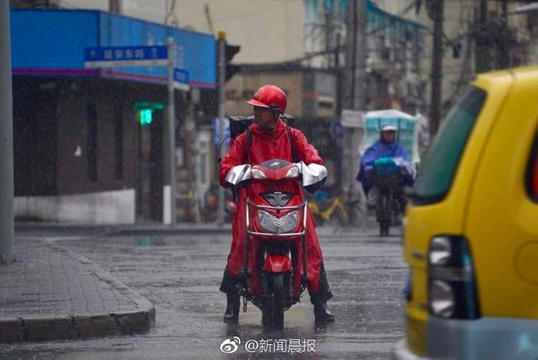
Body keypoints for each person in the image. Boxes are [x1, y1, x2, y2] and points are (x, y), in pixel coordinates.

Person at [219, 84, 335, 324]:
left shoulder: (294, 136)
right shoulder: (245, 139)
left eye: (261, 109)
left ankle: (320, 303)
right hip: (254, 200)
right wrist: (240, 172)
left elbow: (313, 158)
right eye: (255, 109)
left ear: (276, 112)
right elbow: (226, 168)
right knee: (241, 245)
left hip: (291, 201)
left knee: (310, 244)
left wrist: (311, 169)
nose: (256, 113)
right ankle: (231, 302)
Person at [356, 124, 414, 213]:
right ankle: (372, 203)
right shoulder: (376, 147)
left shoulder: (398, 147)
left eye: (391, 133)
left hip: (395, 181)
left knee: (403, 195)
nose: (389, 135)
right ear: (382, 134)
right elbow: (367, 160)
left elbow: (404, 160)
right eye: (387, 133)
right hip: (378, 179)